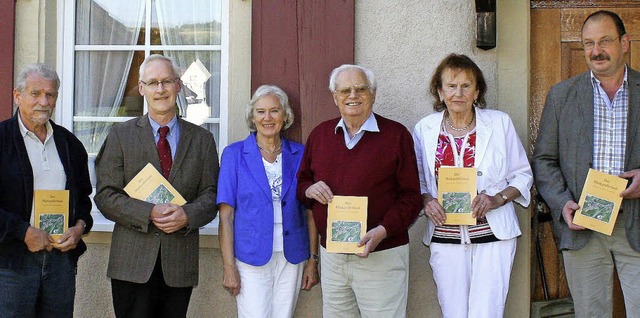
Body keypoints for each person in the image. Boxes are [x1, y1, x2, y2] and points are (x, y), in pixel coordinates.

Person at [533, 10, 640, 317]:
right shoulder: (562, 96)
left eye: (605, 41)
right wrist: (562, 202)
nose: (596, 51)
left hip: (636, 223)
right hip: (583, 225)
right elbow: (544, 159)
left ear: (624, 43)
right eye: (588, 43)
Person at [94, 54, 218, 318]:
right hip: (131, 263)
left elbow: (212, 195)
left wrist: (187, 215)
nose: (160, 89)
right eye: (152, 83)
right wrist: (148, 213)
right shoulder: (120, 136)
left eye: (166, 81)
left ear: (178, 86)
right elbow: (105, 196)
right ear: (142, 89)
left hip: (178, 263)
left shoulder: (203, 140)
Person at [297, 64, 422, 317]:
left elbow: (411, 197)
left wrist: (383, 231)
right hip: (333, 257)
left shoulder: (396, 135)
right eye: (345, 90)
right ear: (335, 97)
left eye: (360, 89)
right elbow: (301, 184)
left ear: (373, 94)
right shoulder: (320, 135)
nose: (352, 96)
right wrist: (310, 190)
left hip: (381, 255)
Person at [413, 53, 532, 318]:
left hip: (493, 234)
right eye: (451, 86)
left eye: (466, 86)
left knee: (487, 312)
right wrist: (426, 200)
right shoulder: (425, 129)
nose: (459, 93)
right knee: (453, 311)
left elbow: (523, 175)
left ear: (477, 91)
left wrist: (496, 199)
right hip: (445, 235)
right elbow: (418, 180)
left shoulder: (499, 123)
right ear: (440, 91)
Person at [0, 63, 93, 317]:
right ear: (17, 96)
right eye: (35, 93)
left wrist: (79, 228)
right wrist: (23, 232)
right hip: (12, 264)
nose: (43, 101)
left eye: (50, 94)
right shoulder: (2, 140)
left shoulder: (69, 144)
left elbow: (84, 200)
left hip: (59, 262)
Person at [217, 85, 319, 317]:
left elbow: (310, 212)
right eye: (260, 111)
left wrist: (313, 260)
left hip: (292, 255)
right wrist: (229, 266)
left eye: (274, 111)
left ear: (285, 116)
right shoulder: (234, 154)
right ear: (252, 117)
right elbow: (226, 216)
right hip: (250, 256)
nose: (267, 118)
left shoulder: (300, 154)